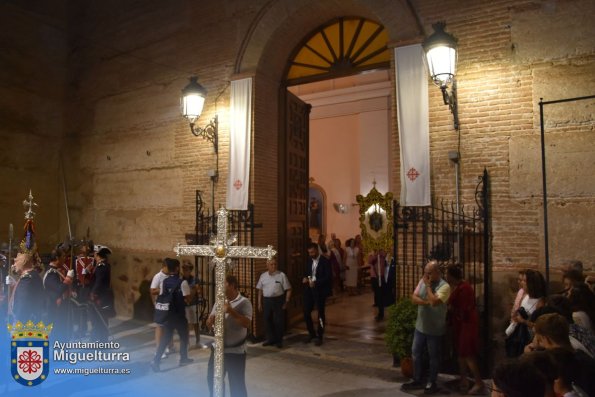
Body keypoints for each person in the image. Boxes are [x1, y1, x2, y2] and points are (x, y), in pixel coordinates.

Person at [401, 260, 451, 394]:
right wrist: (425, 302)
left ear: (437, 272)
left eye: (429, 273)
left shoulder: (444, 286)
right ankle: (417, 379)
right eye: (425, 272)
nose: (426, 275)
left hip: (435, 328)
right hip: (420, 326)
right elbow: (413, 298)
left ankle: (432, 382)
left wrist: (428, 287)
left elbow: (435, 302)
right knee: (415, 352)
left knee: (433, 356)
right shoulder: (422, 281)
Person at [206, 275, 252, 397]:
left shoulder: (244, 302)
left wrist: (231, 311)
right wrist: (210, 322)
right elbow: (209, 324)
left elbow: (247, 324)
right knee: (213, 381)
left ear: (232, 285)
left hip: (235, 352)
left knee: (237, 385)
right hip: (218, 350)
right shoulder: (219, 301)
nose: (219, 287)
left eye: (223, 284)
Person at [445, 264, 485, 395]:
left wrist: (451, 309)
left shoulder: (464, 288)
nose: (446, 276)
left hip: (467, 325)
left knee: (467, 353)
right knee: (461, 354)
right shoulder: (458, 286)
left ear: (451, 275)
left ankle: (479, 382)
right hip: (461, 325)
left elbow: (464, 309)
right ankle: (464, 380)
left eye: (447, 274)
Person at [151, 258, 193, 371]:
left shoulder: (164, 282)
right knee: (184, 336)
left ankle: (156, 361)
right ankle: (183, 358)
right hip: (179, 315)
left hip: (168, 315)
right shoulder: (182, 282)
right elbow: (188, 299)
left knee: (165, 339)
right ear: (177, 268)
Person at [256, 257, 292, 348]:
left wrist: (286, 301)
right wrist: (259, 303)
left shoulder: (281, 275)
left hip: (278, 300)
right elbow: (260, 290)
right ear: (267, 265)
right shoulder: (263, 276)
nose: (274, 266)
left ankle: (279, 340)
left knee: (278, 321)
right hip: (267, 301)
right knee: (267, 320)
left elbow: (289, 289)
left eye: (275, 264)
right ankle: (270, 339)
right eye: (271, 264)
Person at [302, 242, 332, 346]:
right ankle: (311, 333)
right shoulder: (309, 261)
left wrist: (315, 282)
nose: (311, 254)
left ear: (317, 250)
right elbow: (308, 273)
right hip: (309, 291)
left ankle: (320, 336)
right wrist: (306, 278)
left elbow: (328, 277)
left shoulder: (325, 262)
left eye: (312, 252)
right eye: (309, 253)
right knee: (306, 312)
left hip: (320, 291)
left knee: (320, 314)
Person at [43, 246, 75, 341]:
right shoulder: (50, 273)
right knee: (59, 337)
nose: (65, 258)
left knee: (64, 334)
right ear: (57, 258)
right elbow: (59, 289)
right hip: (55, 310)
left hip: (61, 309)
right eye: (63, 256)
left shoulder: (56, 271)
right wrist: (68, 278)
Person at [9, 252, 44, 324]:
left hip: (24, 322)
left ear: (23, 262)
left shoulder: (26, 279)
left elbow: (22, 304)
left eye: (16, 262)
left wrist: (18, 320)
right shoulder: (33, 274)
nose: (14, 265)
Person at [89, 245, 113, 342]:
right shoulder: (104, 265)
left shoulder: (101, 267)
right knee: (101, 318)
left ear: (97, 255)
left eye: (95, 254)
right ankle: (102, 339)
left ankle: (99, 340)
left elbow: (99, 282)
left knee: (98, 318)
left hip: (100, 296)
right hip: (103, 296)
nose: (94, 256)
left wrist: (94, 293)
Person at [151, 260, 174, 357]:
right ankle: (158, 349)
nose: (170, 270)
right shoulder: (158, 276)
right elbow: (152, 290)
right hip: (161, 305)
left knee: (168, 327)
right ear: (164, 266)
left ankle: (168, 345)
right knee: (160, 327)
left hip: (170, 305)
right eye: (169, 268)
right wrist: (163, 290)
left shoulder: (171, 276)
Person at [181, 261, 207, 349]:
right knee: (187, 324)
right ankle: (187, 343)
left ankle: (198, 341)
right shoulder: (181, 280)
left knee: (196, 323)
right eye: (183, 269)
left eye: (186, 269)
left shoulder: (194, 279)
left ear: (190, 270)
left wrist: (197, 293)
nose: (185, 271)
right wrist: (193, 290)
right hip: (185, 305)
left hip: (193, 304)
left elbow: (198, 290)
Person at [368, 249, 395, 321]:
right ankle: (380, 311)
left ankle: (381, 312)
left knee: (381, 295)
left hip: (382, 277)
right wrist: (376, 255)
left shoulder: (383, 255)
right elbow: (370, 261)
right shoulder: (372, 254)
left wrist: (383, 254)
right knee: (377, 294)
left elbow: (386, 263)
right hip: (375, 277)